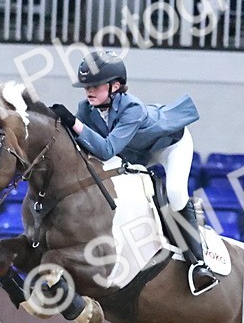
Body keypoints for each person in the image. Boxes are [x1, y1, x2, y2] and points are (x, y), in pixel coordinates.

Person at [49, 51, 218, 296]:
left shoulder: (132, 109)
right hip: (135, 153)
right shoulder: (86, 109)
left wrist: (73, 123)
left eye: (94, 85)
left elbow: (106, 149)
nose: (88, 91)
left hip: (170, 146)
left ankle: (199, 264)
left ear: (115, 86)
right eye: (85, 86)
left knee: (175, 192)